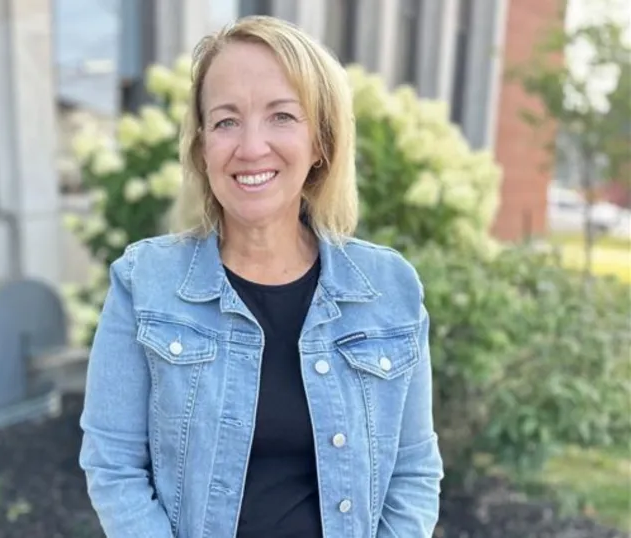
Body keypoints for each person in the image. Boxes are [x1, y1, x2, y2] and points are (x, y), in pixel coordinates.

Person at [78, 15, 444, 538]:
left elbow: (413, 470)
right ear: (202, 146)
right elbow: (113, 466)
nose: (251, 147)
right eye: (226, 121)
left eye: (281, 117)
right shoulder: (144, 283)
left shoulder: (389, 288)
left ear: (321, 141)